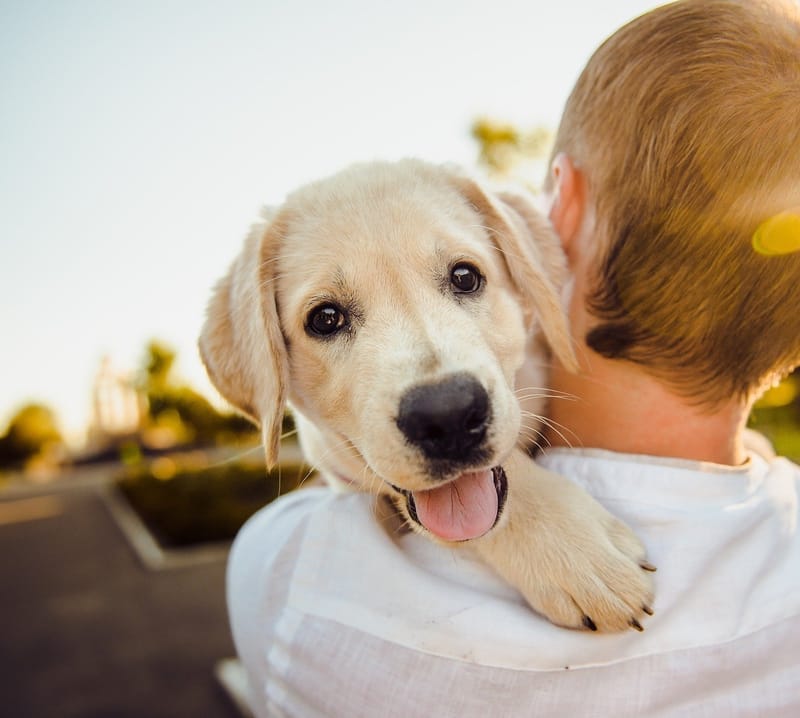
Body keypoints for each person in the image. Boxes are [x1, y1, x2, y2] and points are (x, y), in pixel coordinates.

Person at [226, 1, 800, 715]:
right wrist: (515, 501)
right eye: (330, 318)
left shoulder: (288, 577)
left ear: (554, 215)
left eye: (463, 279)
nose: (434, 388)